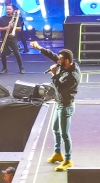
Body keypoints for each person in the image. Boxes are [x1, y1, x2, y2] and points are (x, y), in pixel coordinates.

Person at [31, 43, 79, 172]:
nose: (58, 61)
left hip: (66, 106)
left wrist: (54, 74)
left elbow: (60, 89)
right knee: (55, 129)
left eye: (61, 59)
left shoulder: (72, 76)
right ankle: (58, 153)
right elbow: (53, 56)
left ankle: (68, 160)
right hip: (59, 104)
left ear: (67, 61)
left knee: (64, 134)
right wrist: (39, 48)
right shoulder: (64, 64)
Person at [0, 4, 25, 74]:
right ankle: (4, 68)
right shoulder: (1, 19)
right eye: (7, 9)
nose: (8, 10)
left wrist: (12, 27)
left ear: (12, 10)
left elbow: (20, 29)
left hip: (13, 39)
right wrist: (5, 28)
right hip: (4, 39)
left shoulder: (15, 19)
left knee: (17, 53)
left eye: (9, 9)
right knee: (3, 54)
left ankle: (21, 68)